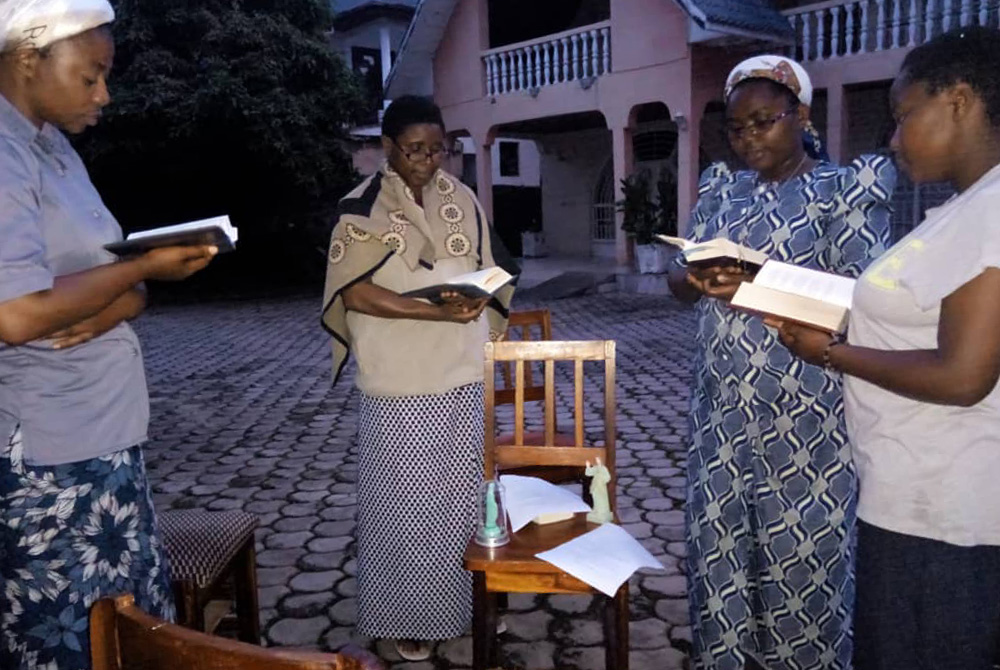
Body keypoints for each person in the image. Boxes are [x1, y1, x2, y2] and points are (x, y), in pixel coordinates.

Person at [773, 27, 1000, 670]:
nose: (894, 141)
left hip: (945, 513)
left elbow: (963, 375)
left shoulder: (992, 210)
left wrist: (831, 352)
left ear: (958, 100)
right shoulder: (967, 208)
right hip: (913, 493)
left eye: (903, 118)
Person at [0, 1, 218, 668]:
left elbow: (118, 282)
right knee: (69, 636)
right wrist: (142, 269)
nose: (105, 93)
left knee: (125, 627)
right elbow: (16, 313)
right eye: (91, 74)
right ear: (29, 58)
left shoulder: (53, 150)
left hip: (106, 433)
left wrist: (124, 297)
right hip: (50, 456)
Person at [666, 55, 896, 670]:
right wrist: (693, 275)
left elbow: (859, 300)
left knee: (804, 570)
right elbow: (677, 278)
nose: (748, 140)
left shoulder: (841, 191)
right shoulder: (722, 189)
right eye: (737, 129)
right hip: (721, 416)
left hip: (806, 419)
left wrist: (753, 281)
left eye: (763, 122)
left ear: (801, 115)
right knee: (720, 562)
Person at [321, 95, 517, 662]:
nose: (429, 161)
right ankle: (411, 617)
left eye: (438, 149)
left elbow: (496, 266)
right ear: (387, 147)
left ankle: (472, 603)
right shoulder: (360, 207)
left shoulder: (465, 197)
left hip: (461, 368)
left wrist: (479, 293)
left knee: (464, 500)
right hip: (401, 378)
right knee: (408, 504)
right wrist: (431, 309)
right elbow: (352, 291)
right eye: (414, 150)